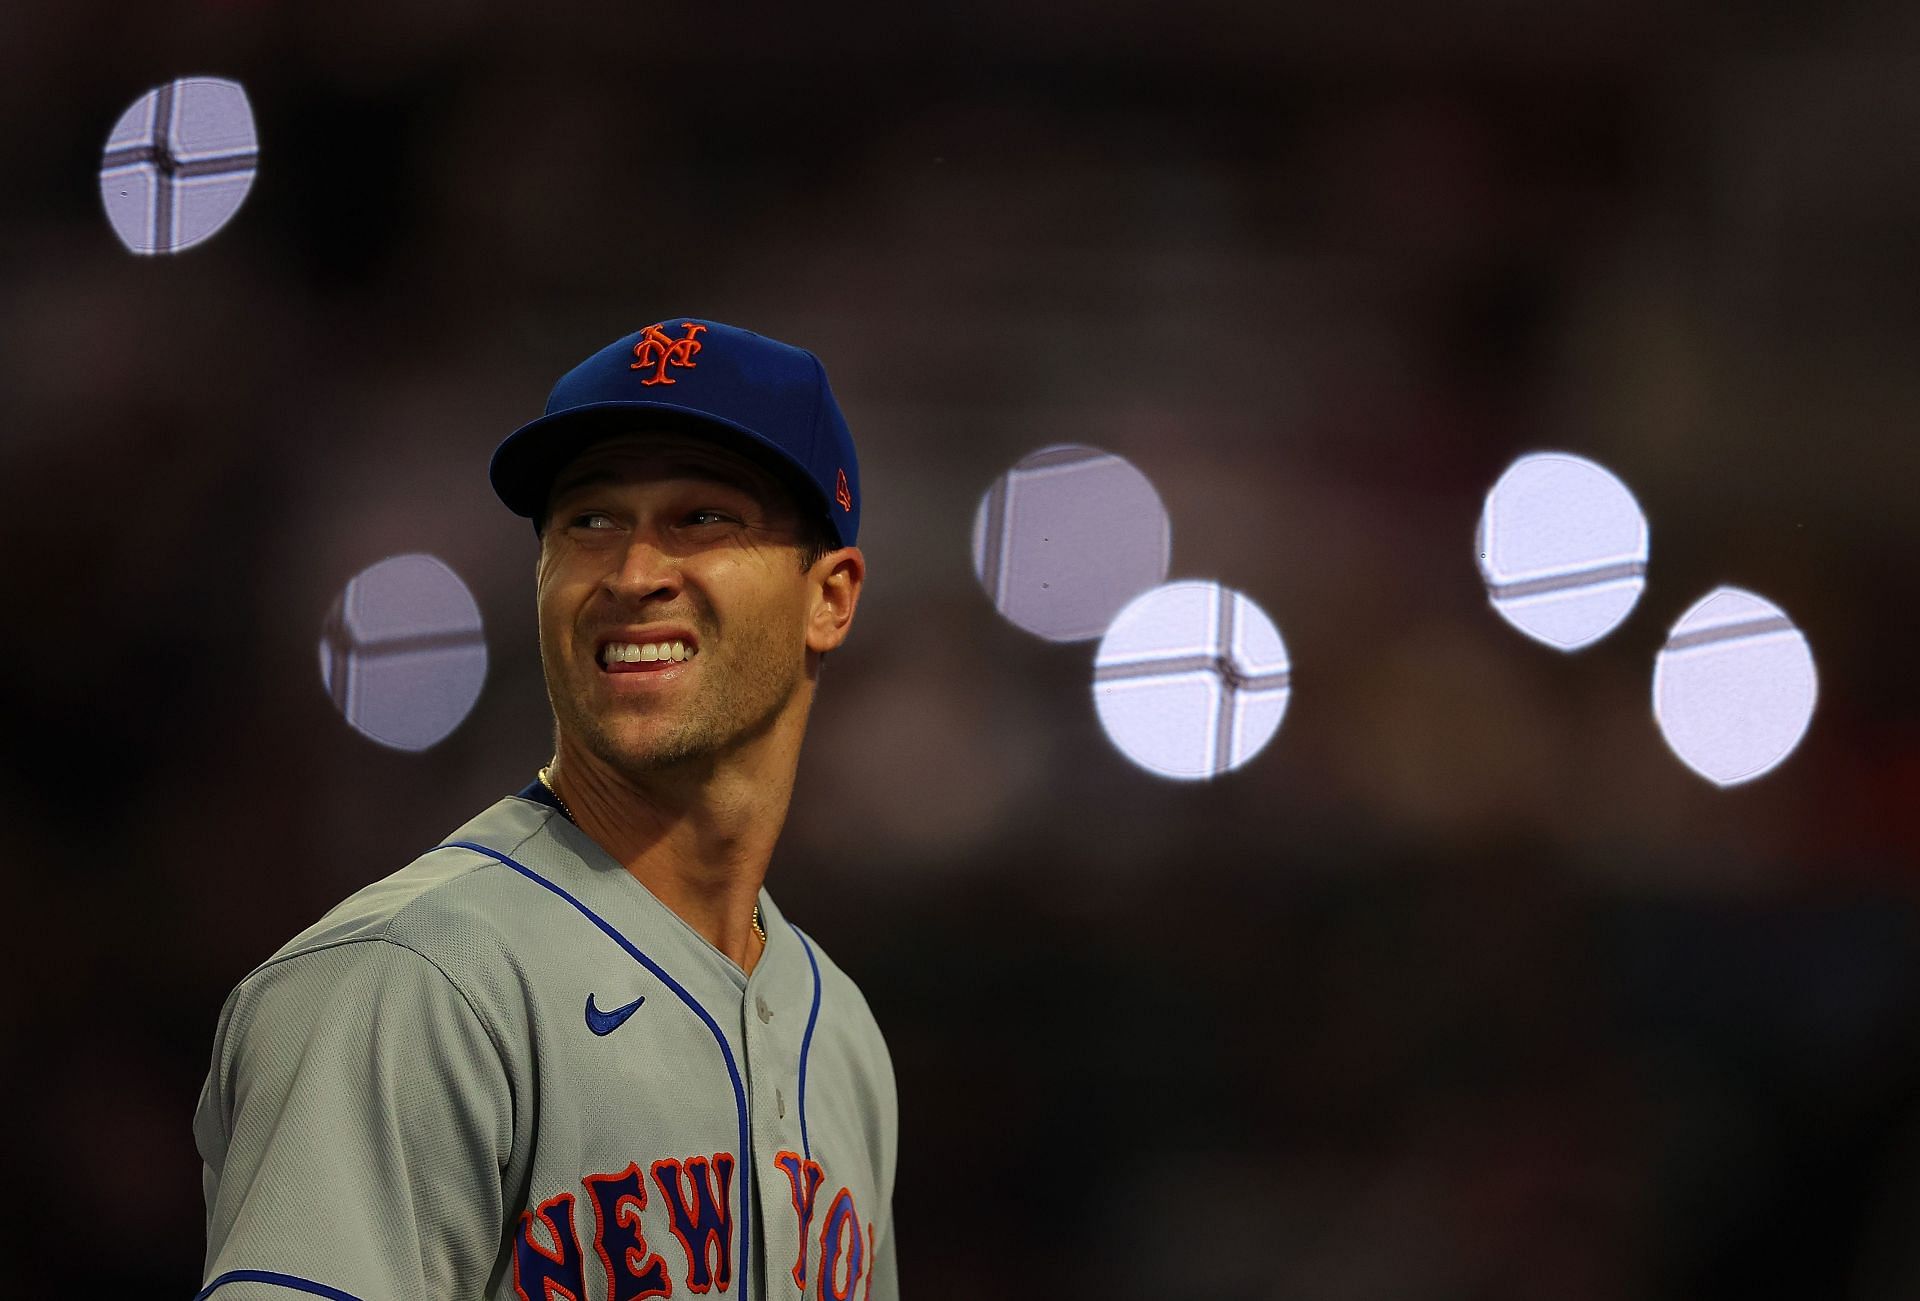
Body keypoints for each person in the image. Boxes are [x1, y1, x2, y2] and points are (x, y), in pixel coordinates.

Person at [193, 318, 898, 1301]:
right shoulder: (408, 983)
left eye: (703, 517)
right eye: (590, 520)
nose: (632, 571)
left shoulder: (846, 1036)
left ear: (831, 595)